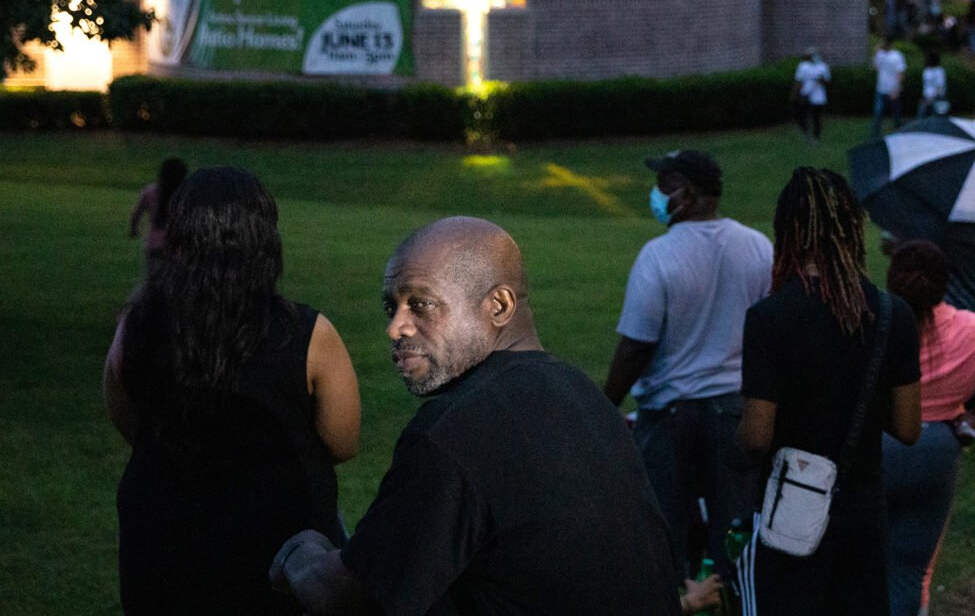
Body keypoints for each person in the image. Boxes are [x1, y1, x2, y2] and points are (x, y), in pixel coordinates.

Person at [271, 217, 683, 616]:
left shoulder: (456, 429)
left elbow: (354, 598)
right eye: (391, 307)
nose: (396, 327)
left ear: (499, 305)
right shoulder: (581, 395)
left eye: (421, 304)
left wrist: (298, 550)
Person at [104, 167, 361, 615]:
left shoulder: (137, 325)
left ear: (177, 236)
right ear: (265, 239)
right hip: (277, 554)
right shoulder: (306, 332)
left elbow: (128, 419)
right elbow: (342, 441)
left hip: (160, 539)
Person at [734, 168, 921, 616]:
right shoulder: (893, 314)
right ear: (853, 229)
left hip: (792, 508)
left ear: (789, 231)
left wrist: (734, 442)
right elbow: (908, 426)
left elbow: (758, 435)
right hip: (862, 508)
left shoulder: (770, 317)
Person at [602, 149, 772, 582]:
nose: (655, 194)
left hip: (671, 420)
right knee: (735, 537)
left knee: (664, 539)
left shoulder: (658, 256)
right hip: (736, 412)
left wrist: (603, 407)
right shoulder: (756, 246)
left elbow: (636, 347)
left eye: (664, 185)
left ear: (688, 194)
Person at [880, 241, 975, 616]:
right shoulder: (973, 328)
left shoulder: (868, 324)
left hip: (877, 445)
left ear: (889, 279)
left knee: (859, 559)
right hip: (937, 448)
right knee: (911, 569)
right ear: (944, 284)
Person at [127, 156, 187, 261]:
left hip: (154, 244)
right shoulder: (186, 194)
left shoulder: (150, 191)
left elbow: (136, 215)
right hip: (178, 246)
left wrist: (133, 230)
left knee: (154, 275)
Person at [871, 36, 907, 138]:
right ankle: (875, 136)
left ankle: (899, 134)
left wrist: (896, 89)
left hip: (893, 90)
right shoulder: (880, 54)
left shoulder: (897, 56)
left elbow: (901, 73)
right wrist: (876, 53)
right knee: (878, 114)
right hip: (881, 90)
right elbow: (875, 67)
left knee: (896, 115)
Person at [792, 48, 830, 142]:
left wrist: (820, 79)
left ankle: (815, 136)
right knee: (801, 114)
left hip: (818, 97)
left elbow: (826, 81)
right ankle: (806, 131)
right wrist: (795, 93)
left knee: (816, 117)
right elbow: (799, 81)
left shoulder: (822, 66)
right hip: (806, 94)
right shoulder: (803, 66)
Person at [917, 50, 948, 119]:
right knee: (921, 117)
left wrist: (932, 97)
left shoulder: (939, 71)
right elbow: (926, 86)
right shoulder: (926, 70)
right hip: (926, 98)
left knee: (937, 118)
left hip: (937, 98)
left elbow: (940, 87)